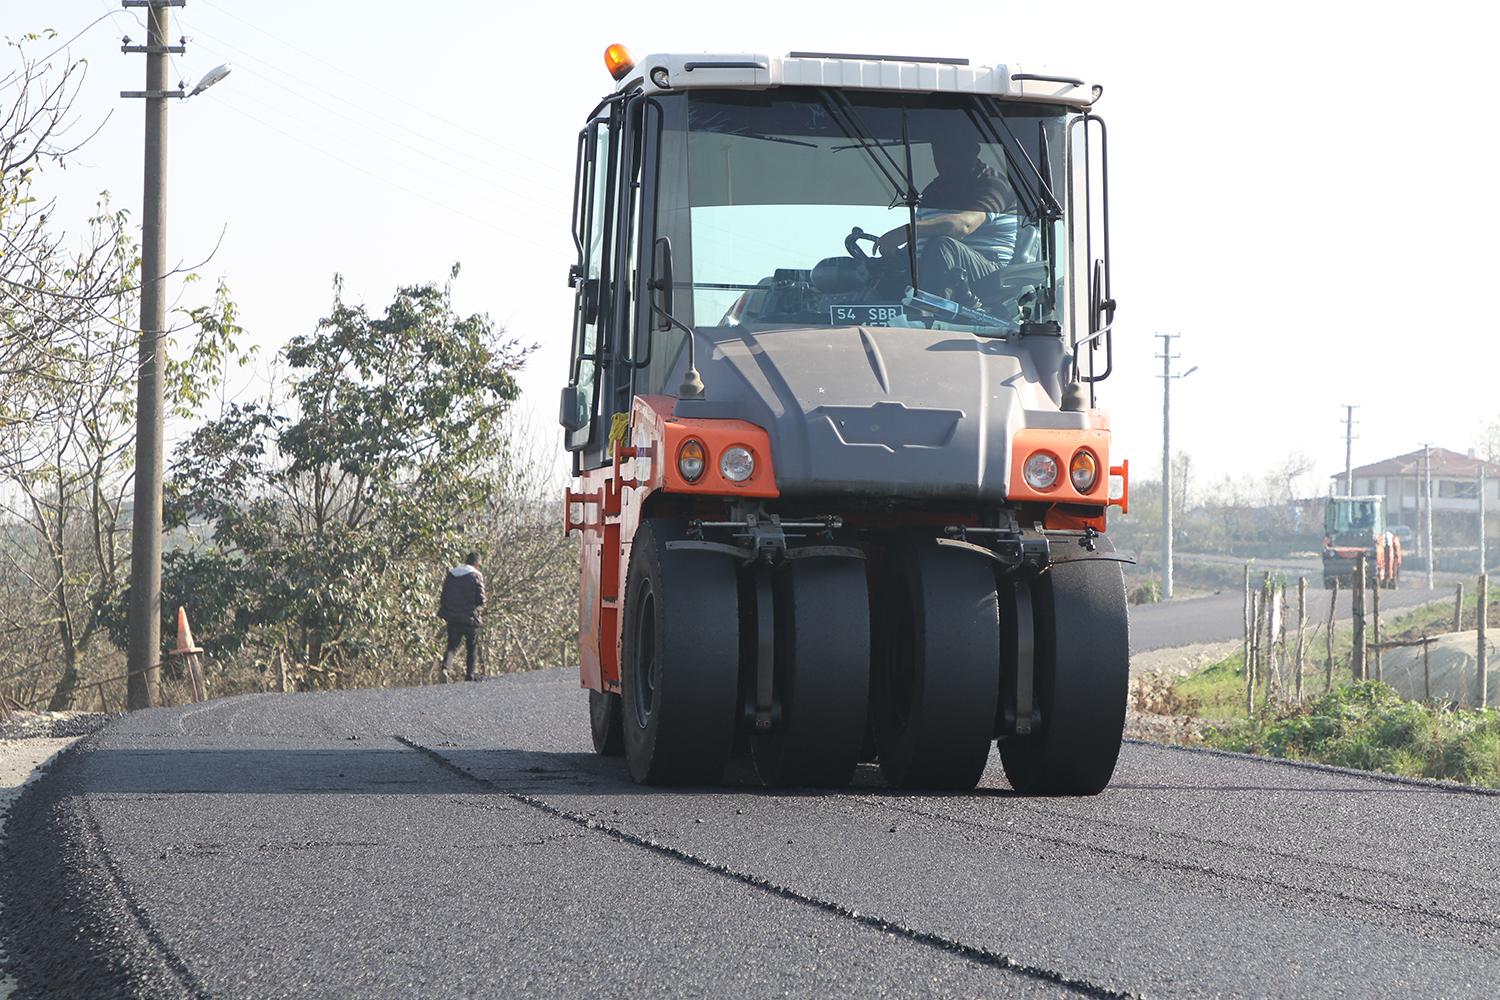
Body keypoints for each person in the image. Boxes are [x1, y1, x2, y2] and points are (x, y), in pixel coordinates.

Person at [876, 134, 1018, 309]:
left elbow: (963, 225)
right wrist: (896, 258)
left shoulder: (993, 184)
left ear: (975, 150)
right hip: (936, 270)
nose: (945, 159)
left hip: (988, 275)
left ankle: (930, 315)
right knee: (875, 272)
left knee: (943, 246)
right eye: (939, 152)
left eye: (954, 152)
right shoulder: (932, 192)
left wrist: (908, 231)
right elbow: (922, 246)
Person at [437, 551, 486, 682]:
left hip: (453, 618)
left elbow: (444, 596)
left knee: (452, 647)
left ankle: (445, 669)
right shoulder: (476, 575)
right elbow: (481, 600)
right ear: (478, 564)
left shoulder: (452, 574)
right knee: (472, 647)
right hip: (471, 618)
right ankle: (469, 675)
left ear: (466, 560)